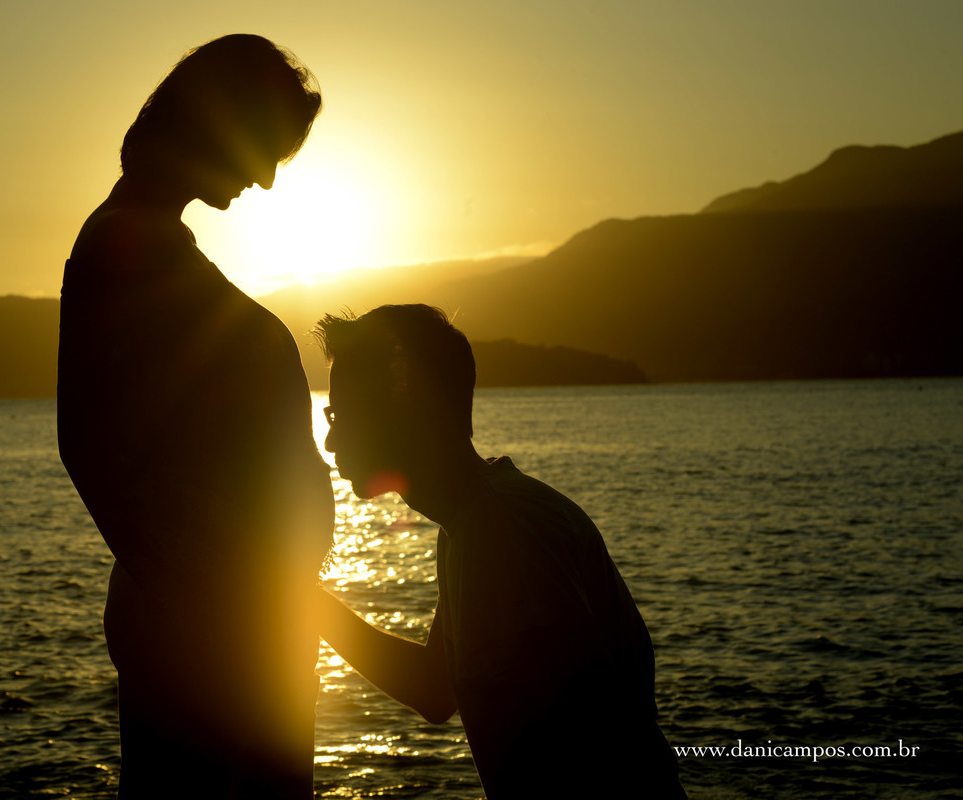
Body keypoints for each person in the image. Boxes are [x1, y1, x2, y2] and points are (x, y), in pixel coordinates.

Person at [57, 34, 333, 799]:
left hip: (242, 623)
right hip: (211, 634)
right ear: (218, 124)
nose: (267, 179)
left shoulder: (157, 241)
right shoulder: (120, 243)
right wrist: (202, 599)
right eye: (266, 150)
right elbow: (88, 443)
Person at [312, 304, 686, 798]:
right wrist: (307, 603)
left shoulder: (505, 528)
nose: (331, 440)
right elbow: (434, 689)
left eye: (342, 414)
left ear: (405, 406)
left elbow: (581, 735)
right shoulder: (469, 523)